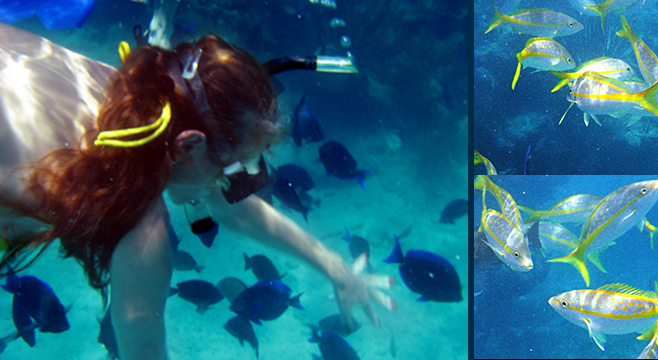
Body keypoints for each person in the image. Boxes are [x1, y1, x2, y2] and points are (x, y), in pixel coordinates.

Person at [0, 24, 391, 360]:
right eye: (232, 168)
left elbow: (232, 209)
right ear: (189, 146)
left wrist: (334, 266)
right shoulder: (142, 223)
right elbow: (140, 333)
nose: (232, 182)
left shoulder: (134, 96)